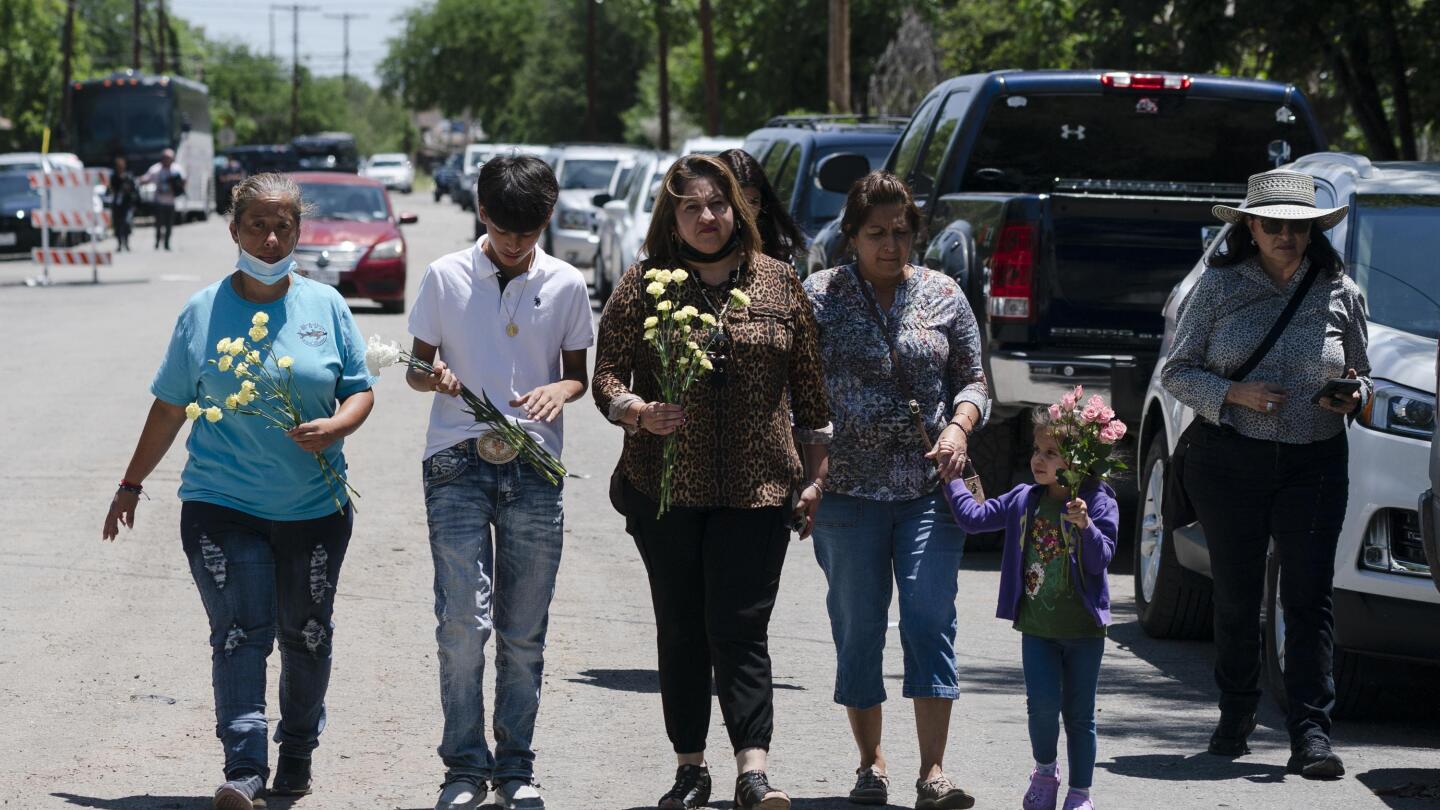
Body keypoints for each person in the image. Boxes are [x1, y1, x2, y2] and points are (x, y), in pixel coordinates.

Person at [102, 173, 376, 810]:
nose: (272, 237)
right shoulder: (201, 312)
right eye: (258, 224)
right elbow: (170, 408)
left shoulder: (327, 306)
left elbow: (360, 388)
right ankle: (245, 768)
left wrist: (337, 424)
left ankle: (298, 751)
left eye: (284, 225)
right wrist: (130, 483)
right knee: (239, 634)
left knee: (306, 635)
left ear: (300, 232)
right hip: (221, 507)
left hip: (315, 509)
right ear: (234, 229)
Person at [592, 154, 832, 810]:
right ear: (671, 216)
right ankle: (689, 767)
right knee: (682, 625)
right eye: (692, 206)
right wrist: (637, 411)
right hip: (664, 489)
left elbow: (811, 395)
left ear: (739, 210)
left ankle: (753, 771)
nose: (707, 217)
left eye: (719, 204)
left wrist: (815, 478)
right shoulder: (643, 284)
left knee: (740, 626)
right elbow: (605, 376)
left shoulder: (781, 283)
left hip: (757, 490)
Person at [1161, 169, 1371, 779]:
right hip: (1231, 461)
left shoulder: (1341, 292)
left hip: (1316, 460)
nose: (1286, 236)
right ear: (1250, 227)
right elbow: (1178, 371)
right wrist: (1235, 394)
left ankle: (1310, 733)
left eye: (1298, 227)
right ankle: (1235, 713)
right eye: (1274, 225)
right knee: (1237, 592)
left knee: (1308, 596)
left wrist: (1350, 396)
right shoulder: (1220, 288)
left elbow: (1365, 380)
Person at [405, 155, 593, 810]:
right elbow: (414, 368)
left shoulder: (567, 283)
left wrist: (558, 390)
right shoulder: (445, 276)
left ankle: (515, 768)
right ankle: (462, 769)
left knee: (523, 629)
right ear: (482, 213)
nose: (516, 243)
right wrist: (437, 379)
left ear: (547, 218)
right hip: (456, 462)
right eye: (505, 229)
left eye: (529, 231)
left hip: (535, 467)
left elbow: (579, 375)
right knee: (462, 622)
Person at [801, 171, 986, 810]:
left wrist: (960, 429)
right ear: (850, 236)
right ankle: (870, 762)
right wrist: (811, 469)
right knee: (857, 628)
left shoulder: (943, 294)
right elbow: (799, 391)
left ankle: (933, 772)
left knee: (931, 618)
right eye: (875, 233)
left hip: (928, 490)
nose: (890, 245)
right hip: (847, 493)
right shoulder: (820, 296)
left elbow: (974, 381)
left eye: (901, 232)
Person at [944, 403, 1120, 810]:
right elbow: (973, 518)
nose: (1037, 460)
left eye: (1050, 453)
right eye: (1037, 450)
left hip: (1084, 631)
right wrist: (954, 476)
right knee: (1041, 708)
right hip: (1038, 629)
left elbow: (1099, 560)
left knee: (1080, 716)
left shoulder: (1098, 501)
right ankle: (1045, 771)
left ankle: (1080, 793)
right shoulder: (1026, 499)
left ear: (1078, 461)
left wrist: (1086, 526)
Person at [718, 148, 804, 265]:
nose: (746, 211)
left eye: (754, 201)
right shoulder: (699, 249)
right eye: (738, 202)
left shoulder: (778, 253)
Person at [141, 148, 185, 250]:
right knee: (158, 224)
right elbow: (147, 178)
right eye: (165, 158)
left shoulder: (177, 169)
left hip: (171, 201)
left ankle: (167, 243)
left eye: (169, 158)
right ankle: (157, 242)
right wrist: (141, 180)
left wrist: (177, 186)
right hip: (159, 201)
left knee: (169, 225)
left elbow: (183, 181)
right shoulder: (156, 169)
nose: (167, 160)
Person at [108, 156, 138, 251]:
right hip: (117, 204)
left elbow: (134, 190)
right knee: (118, 224)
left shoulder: (128, 176)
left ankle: (127, 243)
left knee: (126, 223)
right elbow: (110, 189)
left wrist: (128, 190)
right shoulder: (113, 177)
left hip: (127, 204)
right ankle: (119, 244)